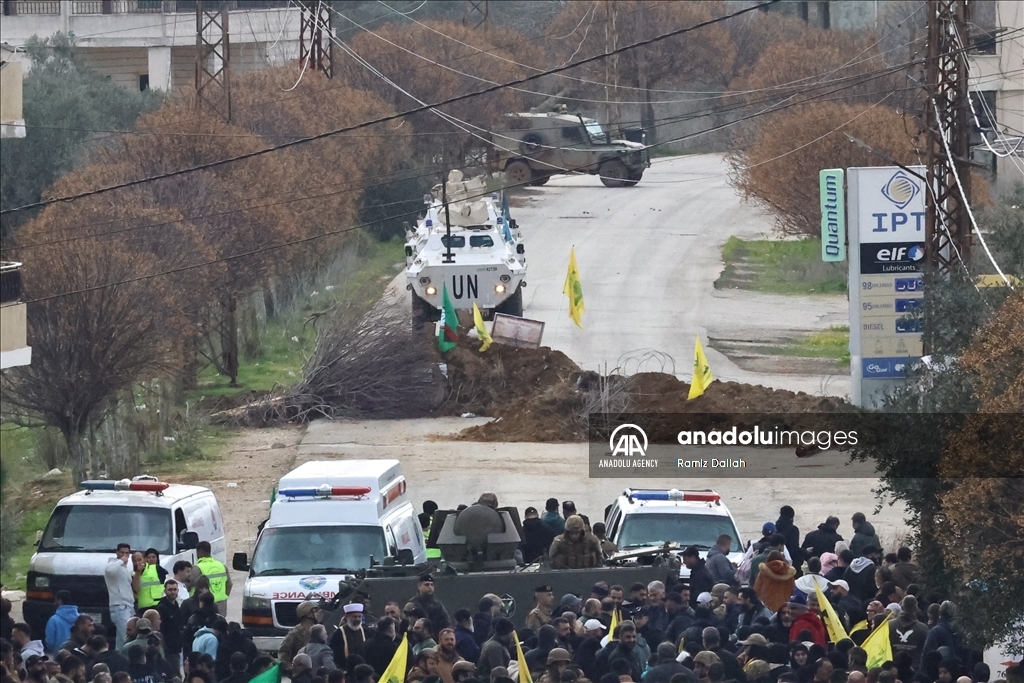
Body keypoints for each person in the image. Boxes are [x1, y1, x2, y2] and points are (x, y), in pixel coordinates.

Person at [104, 543, 135, 650]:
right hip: (119, 606)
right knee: (128, 637)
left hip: (128, 606)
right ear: (117, 552)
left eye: (127, 553)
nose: (125, 555)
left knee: (121, 643)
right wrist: (121, 560)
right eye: (122, 552)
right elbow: (109, 570)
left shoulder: (124, 568)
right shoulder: (112, 564)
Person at [279, 601, 320, 674]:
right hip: (301, 672)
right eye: (315, 611)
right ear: (308, 614)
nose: (318, 613)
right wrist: (290, 668)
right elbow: (283, 651)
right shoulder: (295, 632)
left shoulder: (318, 629)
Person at [194, 543, 231, 617]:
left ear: (200, 552)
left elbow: (188, 585)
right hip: (221, 605)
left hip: (203, 605)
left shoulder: (197, 568)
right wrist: (223, 596)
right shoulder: (221, 566)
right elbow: (229, 584)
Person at [155, 579, 184, 675]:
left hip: (176, 647)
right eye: (170, 590)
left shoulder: (176, 605)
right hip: (168, 648)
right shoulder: (161, 608)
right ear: (165, 591)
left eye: (175, 589)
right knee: (174, 673)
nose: (173, 592)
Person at [775, 506, 803, 572]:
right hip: (790, 563)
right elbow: (794, 549)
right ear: (791, 517)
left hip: (776, 561)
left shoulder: (775, 528)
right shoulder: (793, 530)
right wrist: (804, 552)